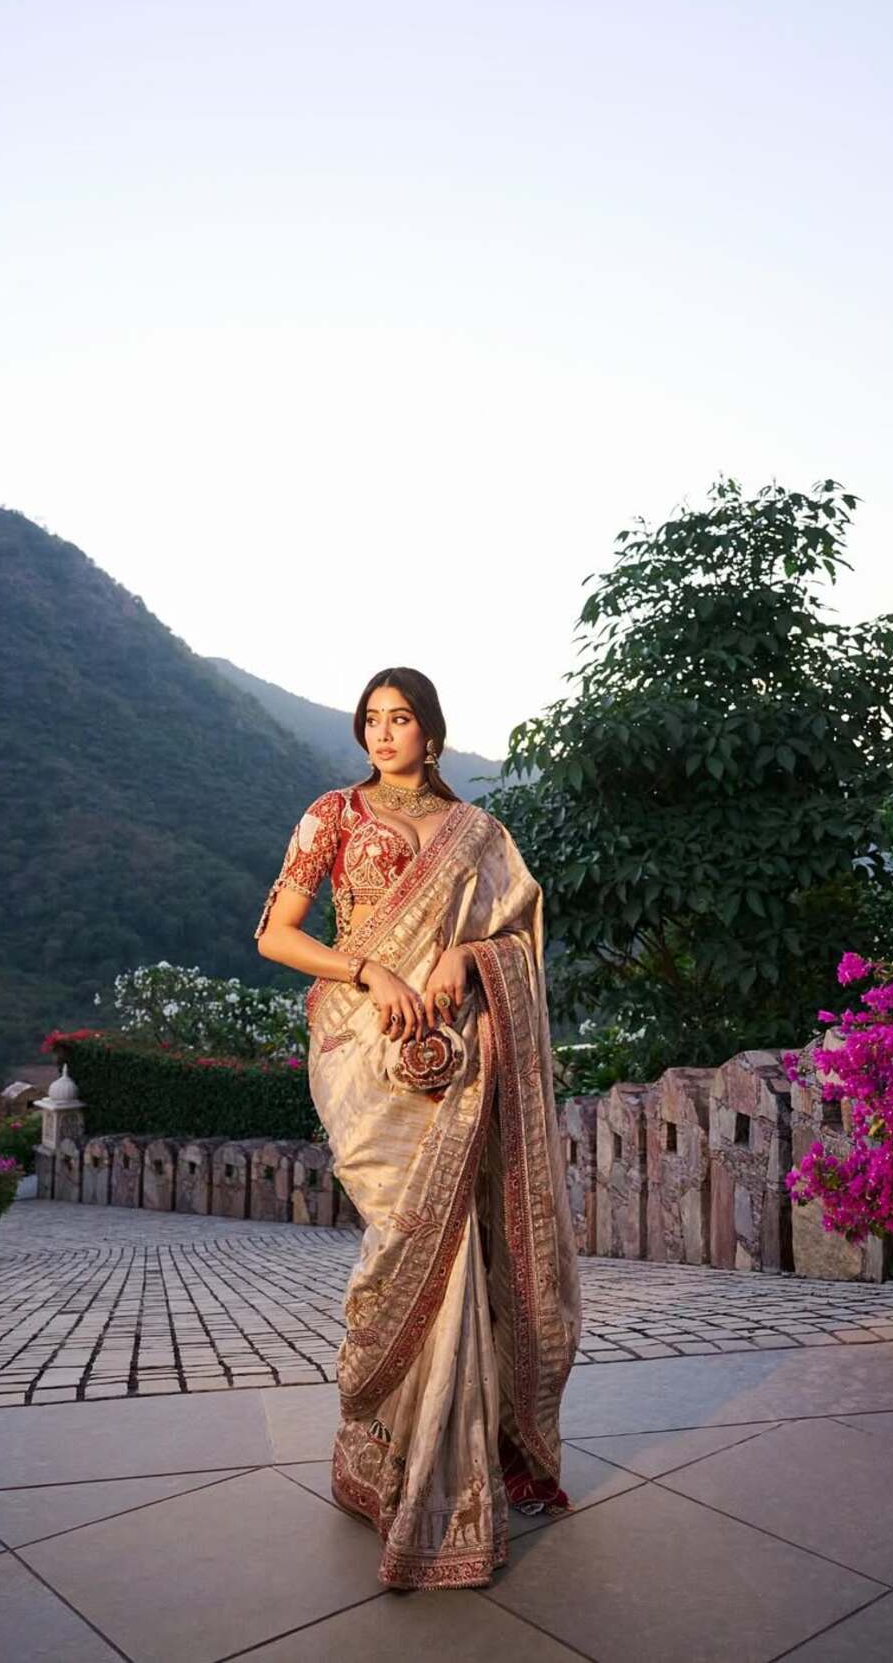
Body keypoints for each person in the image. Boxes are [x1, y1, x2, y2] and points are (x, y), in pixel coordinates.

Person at [256, 666, 581, 1591]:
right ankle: (384, 1454)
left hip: (457, 1057)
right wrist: (370, 971)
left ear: (430, 732)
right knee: (402, 1236)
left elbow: (516, 933)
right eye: (371, 719)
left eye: (399, 719)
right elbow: (277, 934)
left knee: (459, 1245)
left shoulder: (479, 835)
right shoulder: (333, 814)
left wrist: (466, 957)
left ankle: (452, 1476)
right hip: (359, 1049)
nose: (382, 733)